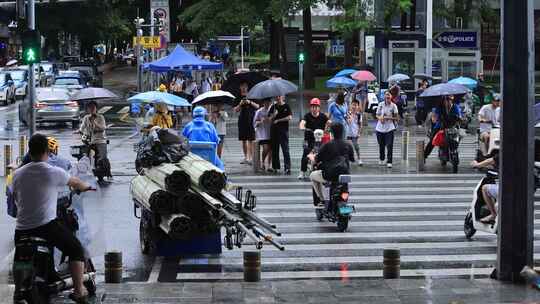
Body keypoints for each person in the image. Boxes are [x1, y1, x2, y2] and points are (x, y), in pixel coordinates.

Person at [12, 134, 93, 302]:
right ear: (47, 151)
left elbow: (15, 197)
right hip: (45, 226)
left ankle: (18, 290)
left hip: (21, 229)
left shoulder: (18, 174)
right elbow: (75, 182)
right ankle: (79, 291)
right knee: (76, 249)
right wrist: (86, 187)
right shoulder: (53, 172)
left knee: (19, 259)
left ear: (30, 151)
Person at [308, 122, 355, 206]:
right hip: (345, 174)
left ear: (332, 133)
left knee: (312, 176)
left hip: (330, 174)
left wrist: (311, 157)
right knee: (345, 188)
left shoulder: (327, 145)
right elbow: (352, 159)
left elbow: (316, 159)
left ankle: (321, 200)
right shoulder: (348, 144)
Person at [424, 95, 462, 160]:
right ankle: (424, 156)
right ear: (443, 100)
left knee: (459, 136)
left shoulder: (455, 106)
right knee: (432, 140)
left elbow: (459, 116)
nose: (448, 101)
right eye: (446, 100)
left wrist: (460, 119)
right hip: (440, 126)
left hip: (452, 127)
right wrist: (434, 118)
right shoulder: (439, 107)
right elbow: (434, 117)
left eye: (449, 100)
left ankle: (453, 149)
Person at [298, 98, 329, 179]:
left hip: (320, 139)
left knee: (323, 154)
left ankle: (323, 171)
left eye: (316, 106)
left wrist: (329, 125)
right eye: (313, 106)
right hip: (309, 139)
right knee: (305, 154)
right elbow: (302, 123)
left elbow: (328, 122)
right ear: (310, 107)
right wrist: (303, 127)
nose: (314, 108)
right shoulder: (307, 116)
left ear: (319, 107)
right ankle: (302, 171)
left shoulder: (323, 116)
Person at [234, 82, 259, 165]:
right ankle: (246, 157)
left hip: (251, 119)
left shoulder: (252, 95)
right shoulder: (238, 96)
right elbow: (235, 110)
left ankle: (251, 157)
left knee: (251, 139)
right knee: (244, 139)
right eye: (242, 86)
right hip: (242, 119)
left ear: (248, 87)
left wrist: (250, 102)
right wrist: (240, 104)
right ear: (240, 87)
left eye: (245, 86)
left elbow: (258, 106)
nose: (244, 88)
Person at [471, 150, 500, 223]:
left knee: (485, 188)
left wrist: (477, 165)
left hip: (509, 189)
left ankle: (493, 214)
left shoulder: (507, 151)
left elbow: (491, 160)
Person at [269, 96, 293, 174]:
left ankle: (287, 167)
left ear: (283, 97)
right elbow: (269, 118)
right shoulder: (273, 106)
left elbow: (289, 117)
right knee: (275, 149)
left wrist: (279, 120)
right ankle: (275, 167)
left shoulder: (286, 106)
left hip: (283, 131)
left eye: (280, 96)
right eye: (277, 96)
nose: (278, 97)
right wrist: (274, 115)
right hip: (274, 131)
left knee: (285, 149)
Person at [375, 91, 399, 168]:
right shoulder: (380, 104)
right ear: (384, 97)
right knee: (381, 145)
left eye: (389, 95)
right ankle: (382, 158)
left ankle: (389, 161)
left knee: (389, 145)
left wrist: (388, 118)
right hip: (379, 128)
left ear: (391, 96)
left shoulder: (393, 106)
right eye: (386, 95)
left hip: (390, 128)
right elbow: (377, 114)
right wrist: (380, 118)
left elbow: (397, 118)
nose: (387, 96)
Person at [253, 98, 273, 171]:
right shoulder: (259, 111)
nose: (267, 104)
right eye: (266, 102)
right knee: (266, 148)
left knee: (271, 149)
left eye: (269, 102)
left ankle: (269, 165)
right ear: (263, 103)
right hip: (263, 134)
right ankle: (263, 162)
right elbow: (254, 123)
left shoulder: (273, 110)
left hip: (272, 132)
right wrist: (261, 121)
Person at [346, 99, 363, 166]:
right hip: (347, 133)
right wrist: (348, 119)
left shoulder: (359, 115)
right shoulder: (347, 113)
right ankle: (347, 159)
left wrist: (359, 133)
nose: (354, 106)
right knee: (346, 147)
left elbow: (360, 125)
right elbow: (346, 122)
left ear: (358, 106)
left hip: (354, 134)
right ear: (350, 105)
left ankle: (359, 159)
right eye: (353, 104)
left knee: (356, 146)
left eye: (356, 105)